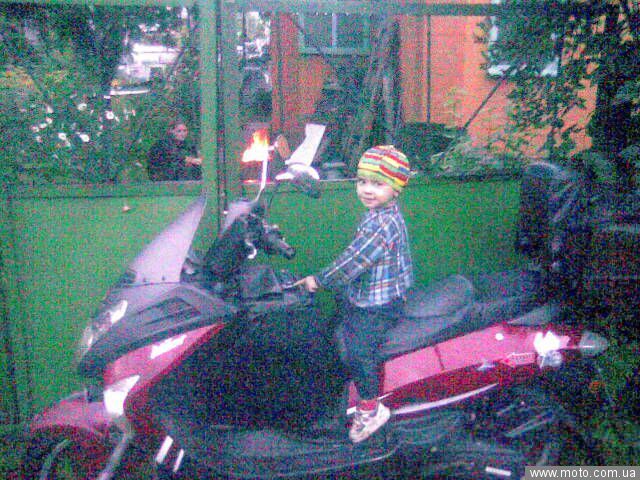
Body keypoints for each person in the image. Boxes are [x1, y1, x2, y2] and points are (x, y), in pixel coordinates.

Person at [295, 145, 413, 443]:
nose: (367, 190)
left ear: (396, 189)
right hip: (366, 295)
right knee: (337, 331)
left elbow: (353, 262)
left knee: (359, 353)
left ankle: (371, 409)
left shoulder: (381, 224)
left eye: (378, 184)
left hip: (379, 304)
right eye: (362, 182)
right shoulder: (378, 214)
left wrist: (319, 280)